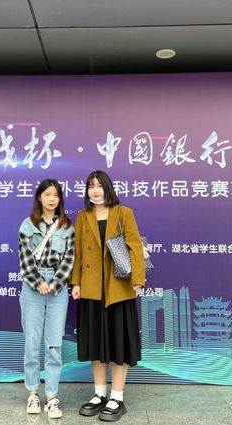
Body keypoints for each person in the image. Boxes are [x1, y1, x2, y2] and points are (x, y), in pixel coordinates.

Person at [70, 170, 145, 422]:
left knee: (118, 344)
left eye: (99, 186)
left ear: (108, 188)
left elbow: (135, 246)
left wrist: (137, 278)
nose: (95, 190)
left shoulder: (124, 213)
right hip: (91, 289)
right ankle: (99, 394)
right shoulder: (83, 216)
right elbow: (78, 252)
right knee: (96, 344)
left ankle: (117, 397)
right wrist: (76, 282)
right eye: (90, 186)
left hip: (118, 289)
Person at [18, 179, 75, 419]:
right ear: (39, 197)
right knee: (32, 344)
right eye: (47, 194)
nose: (52, 199)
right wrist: (38, 282)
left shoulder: (67, 226)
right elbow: (25, 259)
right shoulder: (27, 225)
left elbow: (69, 259)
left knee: (54, 345)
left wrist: (53, 284)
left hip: (57, 290)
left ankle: (51, 397)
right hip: (32, 288)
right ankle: (33, 393)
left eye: (56, 195)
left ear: (60, 199)